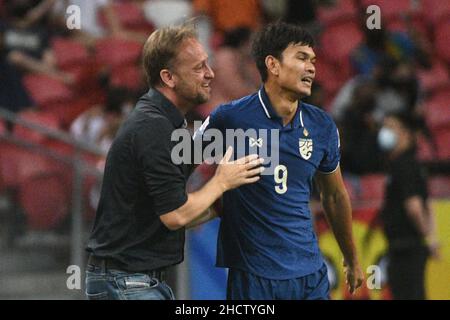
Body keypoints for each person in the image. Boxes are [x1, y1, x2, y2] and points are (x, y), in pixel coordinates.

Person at [85, 23, 264, 300]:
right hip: (128, 283)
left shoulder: (166, 122)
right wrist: (221, 181)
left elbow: (170, 211)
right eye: (198, 67)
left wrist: (222, 204)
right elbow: (176, 215)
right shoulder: (153, 127)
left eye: (208, 64)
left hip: (135, 281)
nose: (210, 74)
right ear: (168, 77)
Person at [195, 22, 364, 300]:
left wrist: (352, 258)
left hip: (310, 275)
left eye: (313, 60)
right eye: (301, 58)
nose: (311, 67)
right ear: (272, 65)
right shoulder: (230, 118)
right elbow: (181, 163)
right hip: (254, 277)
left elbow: (334, 195)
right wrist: (191, 205)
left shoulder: (322, 125)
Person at [378, 112, 439, 300]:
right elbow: (426, 203)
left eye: (390, 127)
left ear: (405, 133)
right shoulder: (400, 164)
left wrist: (428, 237)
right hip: (401, 247)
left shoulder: (405, 164)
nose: (384, 132)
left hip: (407, 247)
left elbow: (415, 206)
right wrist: (431, 237)